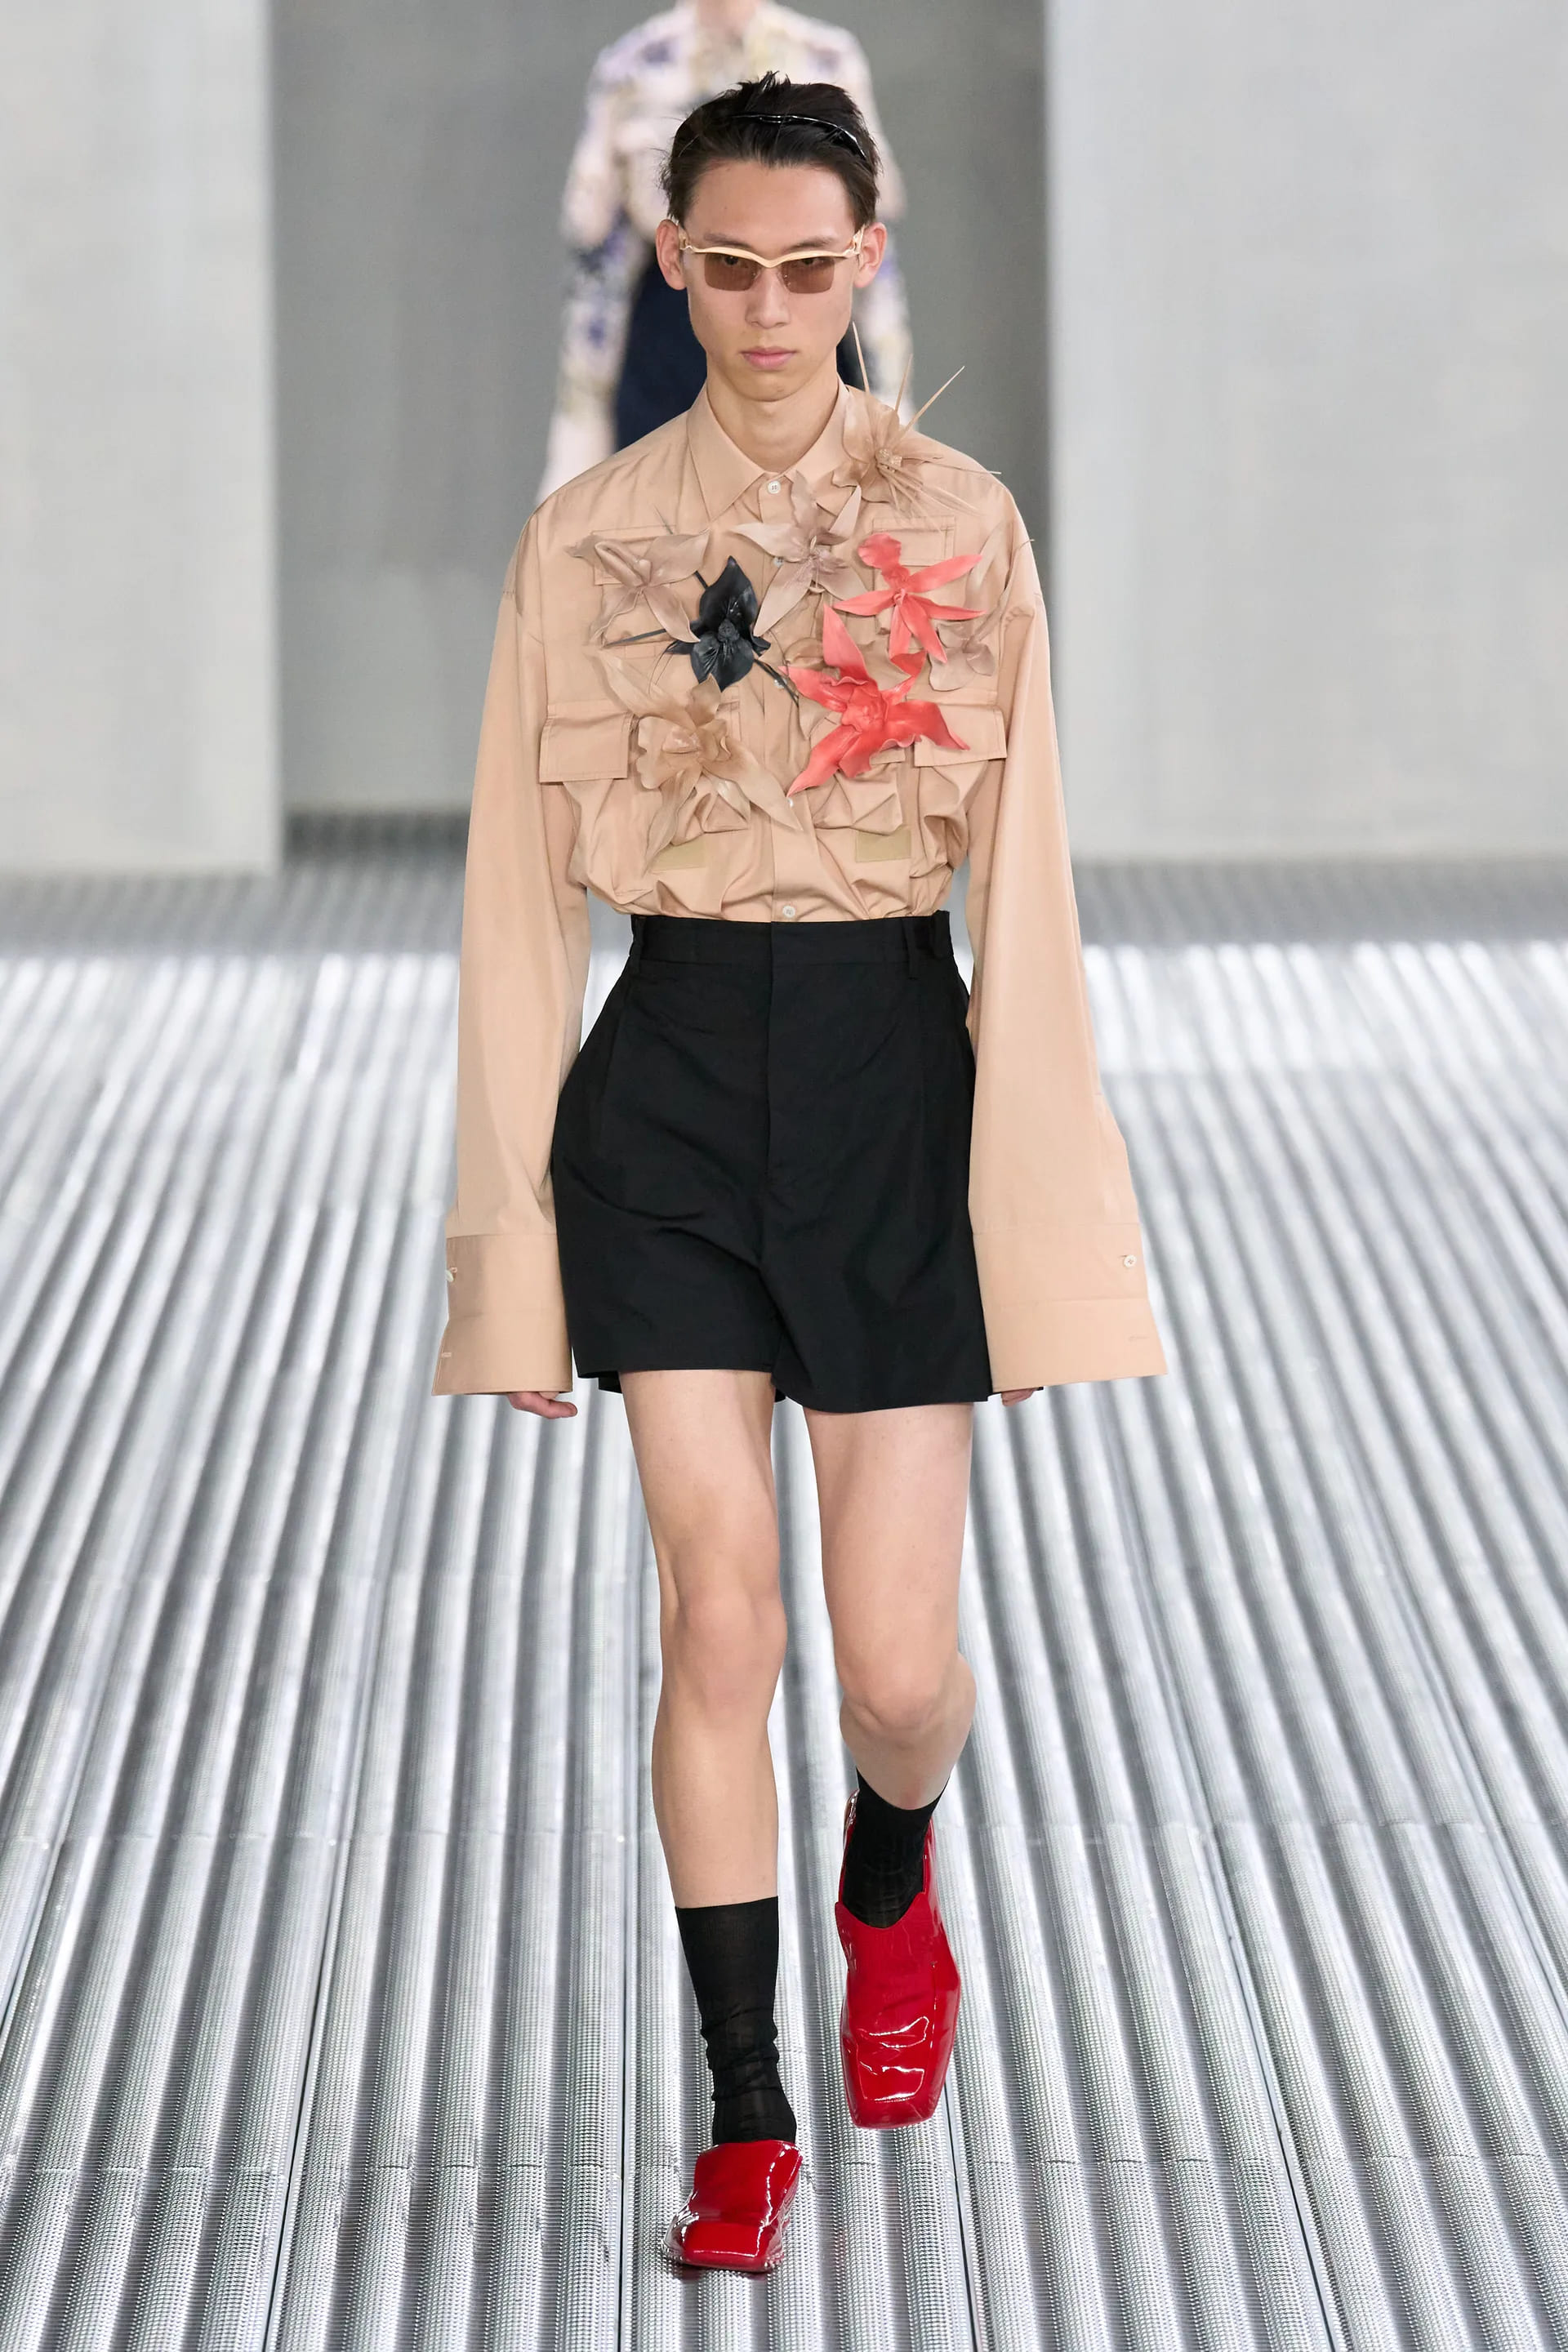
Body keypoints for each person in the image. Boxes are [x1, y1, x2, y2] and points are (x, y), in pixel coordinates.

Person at [435, 72, 1166, 2275]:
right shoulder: (581, 546)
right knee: (718, 1614)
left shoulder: (961, 524)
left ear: (871, 257)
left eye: (808, 271)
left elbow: (1024, 895)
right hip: (661, 1097)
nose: (768, 313)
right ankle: (745, 2112)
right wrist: (507, 1258)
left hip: (888, 1095)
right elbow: (511, 916)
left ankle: (892, 1866)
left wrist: (1042, 1221)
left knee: (899, 1676)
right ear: (672, 262)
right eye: (730, 270)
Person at [537, 0, 912, 499]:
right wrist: (578, 442)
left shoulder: (826, 55)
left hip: (806, 319)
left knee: (816, 520)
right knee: (663, 522)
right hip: (671, 332)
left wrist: (893, 412)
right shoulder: (631, 66)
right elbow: (599, 270)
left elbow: (868, 245)